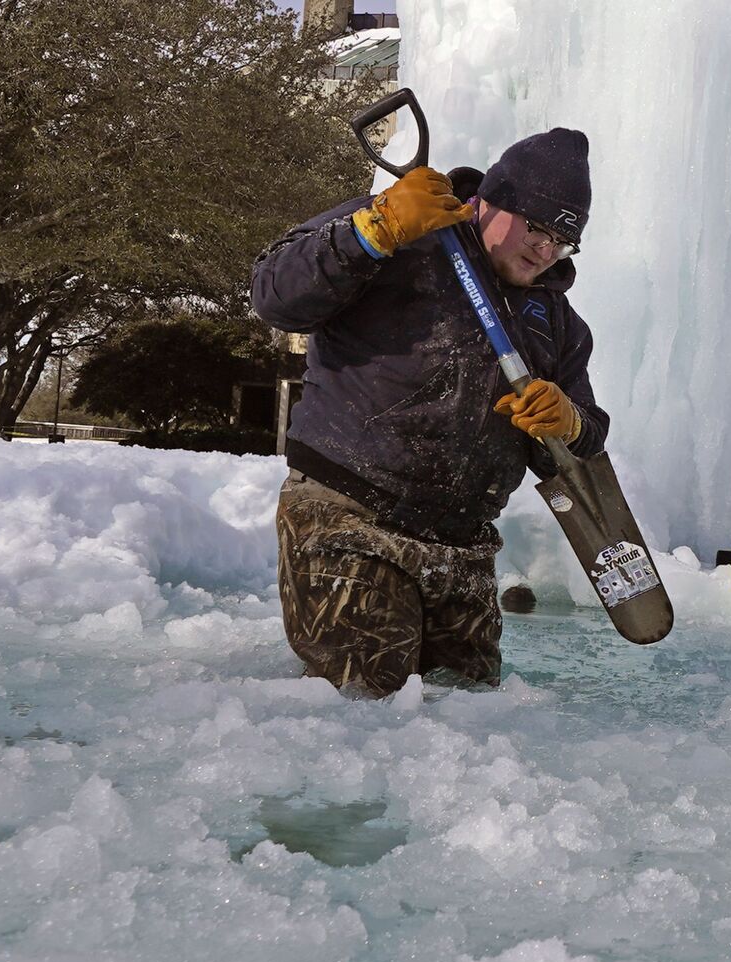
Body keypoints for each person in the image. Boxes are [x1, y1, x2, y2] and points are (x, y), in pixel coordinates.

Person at [251, 128, 608, 697]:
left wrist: (569, 423)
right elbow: (274, 295)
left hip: (463, 548)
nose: (546, 250)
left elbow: (583, 446)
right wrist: (370, 234)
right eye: (536, 227)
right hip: (351, 519)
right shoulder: (402, 228)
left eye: (563, 242)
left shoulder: (558, 324)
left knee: (466, 729)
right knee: (364, 714)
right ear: (489, 200)